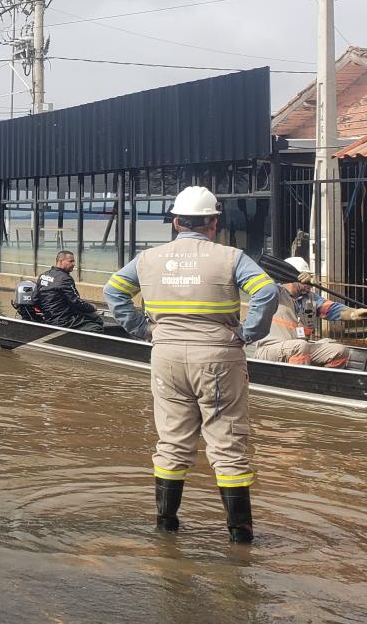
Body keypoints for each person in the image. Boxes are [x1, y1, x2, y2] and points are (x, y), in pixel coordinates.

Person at [103, 186, 278, 544]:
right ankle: (240, 540)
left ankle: (166, 530)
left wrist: (142, 329)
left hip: (166, 356)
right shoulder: (231, 257)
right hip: (217, 356)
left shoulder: (148, 258)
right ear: (214, 222)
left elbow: (113, 291)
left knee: (171, 442)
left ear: (176, 222)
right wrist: (248, 333)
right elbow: (266, 292)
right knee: (227, 445)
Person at [253, 256, 367, 368]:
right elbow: (260, 285)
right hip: (270, 350)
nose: (311, 281)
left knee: (341, 351)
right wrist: (291, 276)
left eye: (311, 276)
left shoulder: (311, 298)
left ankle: (320, 380)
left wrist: (355, 314)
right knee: (300, 346)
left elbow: (333, 309)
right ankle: (299, 380)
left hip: (299, 348)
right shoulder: (274, 293)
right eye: (307, 276)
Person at [36, 250, 105, 332]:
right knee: (96, 327)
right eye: (71, 261)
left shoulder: (43, 275)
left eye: (74, 261)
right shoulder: (65, 279)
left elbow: (35, 298)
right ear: (60, 261)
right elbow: (76, 302)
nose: (74, 264)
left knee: (91, 317)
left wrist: (45, 312)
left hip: (49, 317)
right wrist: (92, 307)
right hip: (63, 319)